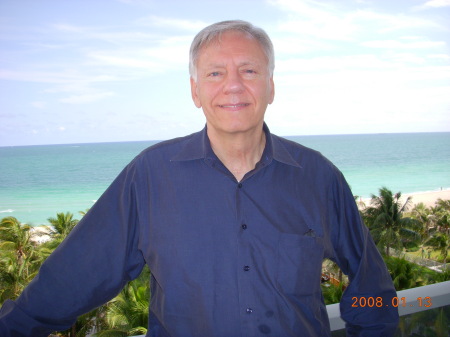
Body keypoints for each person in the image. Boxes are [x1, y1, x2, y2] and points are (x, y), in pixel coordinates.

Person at [0, 20, 399, 336]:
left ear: (271, 86)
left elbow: (373, 286)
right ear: (195, 91)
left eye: (249, 70)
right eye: (214, 73)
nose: (233, 86)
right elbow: (76, 273)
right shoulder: (150, 176)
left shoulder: (318, 177)